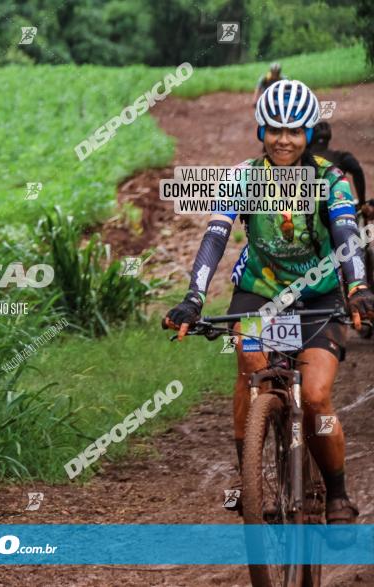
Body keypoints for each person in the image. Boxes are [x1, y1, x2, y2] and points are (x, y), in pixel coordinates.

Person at [164, 79, 374, 524]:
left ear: (307, 134)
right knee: (249, 362)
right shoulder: (241, 176)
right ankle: (252, 478)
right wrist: (193, 298)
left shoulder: (330, 180)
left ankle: (336, 493)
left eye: (294, 131)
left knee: (316, 396)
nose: (284, 139)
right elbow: (215, 236)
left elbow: (346, 235)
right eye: (274, 129)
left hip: (317, 297)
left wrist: (357, 289)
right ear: (261, 131)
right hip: (259, 294)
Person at [310, 121, 367, 208]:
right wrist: (362, 203)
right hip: (334, 206)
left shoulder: (301, 157)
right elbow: (357, 169)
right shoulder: (339, 157)